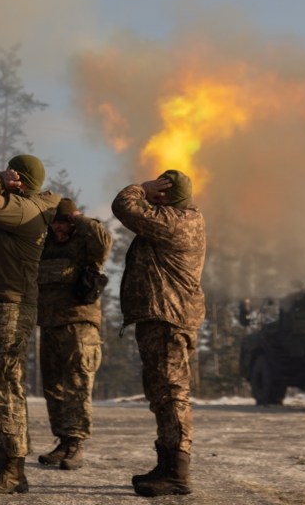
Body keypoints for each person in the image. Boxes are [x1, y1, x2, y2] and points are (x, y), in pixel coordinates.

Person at [0, 154, 61, 495]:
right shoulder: (24, 208)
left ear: (19, 177)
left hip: (9, 307)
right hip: (1, 306)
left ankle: (13, 468)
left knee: (2, 387)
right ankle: (1, 458)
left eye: (12, 171)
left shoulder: (24, 210)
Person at [111, 169, 206, 497]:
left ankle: (177, 471)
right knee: (162, 393)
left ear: (165, 195)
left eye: (158, 192)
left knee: (171, 392)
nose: (153, 196)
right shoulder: (181, 219)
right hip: (164, 316)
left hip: (169, 317)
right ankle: (167, 465)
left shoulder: (176, 222)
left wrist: (140, 188)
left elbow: (124, 206)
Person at [35, 198, 113, 470]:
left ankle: (77, 443)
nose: (57, 228)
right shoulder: (46, 246)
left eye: (61, 222)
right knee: (53, 386)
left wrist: (79, 219)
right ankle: (63, 441)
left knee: (78, 384)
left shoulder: (85, 243)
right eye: (53, 222)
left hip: (80, 326)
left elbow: (104, 241)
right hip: (49, 325)